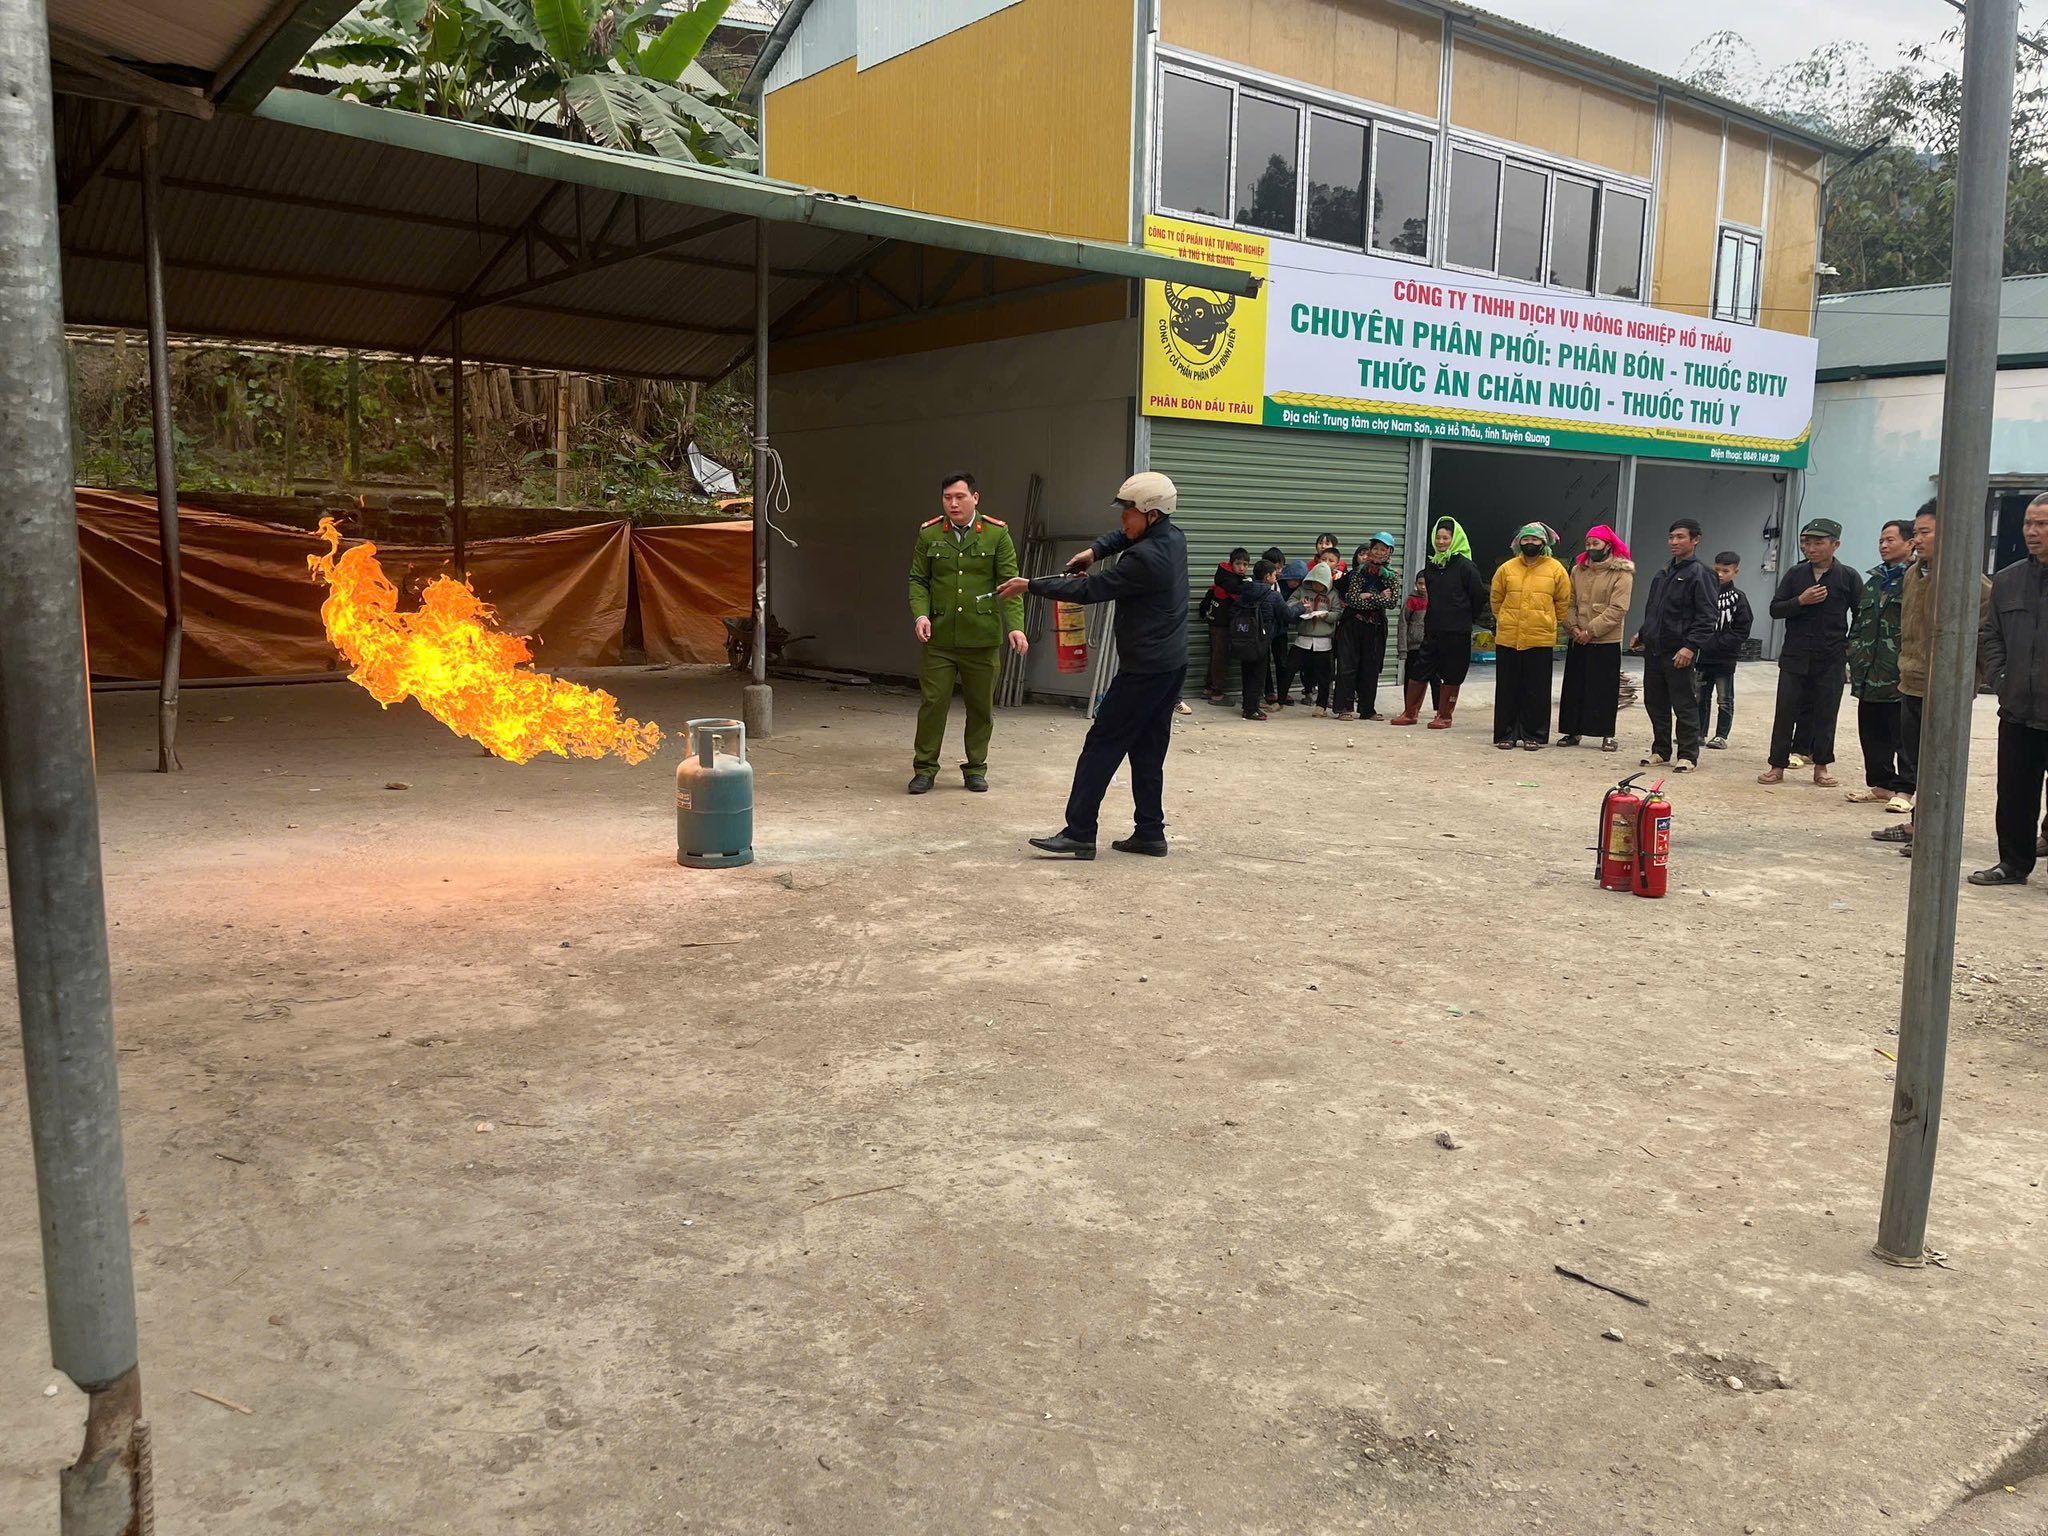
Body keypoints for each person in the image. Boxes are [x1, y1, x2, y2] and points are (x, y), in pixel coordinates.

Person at [998, 472, 1188, 860]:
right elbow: (1124, 538)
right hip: (1170, 665)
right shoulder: (1171, 536)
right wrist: (1095, 551)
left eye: (1128, 512)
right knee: (1148, 750)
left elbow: (1091, 590)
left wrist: (1031, 585)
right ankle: (1150, 832)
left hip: (1144, 670)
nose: (1123, 520)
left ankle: (1080, 832)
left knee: (1101, 745)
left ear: (1151, 513)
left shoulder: (1145, 558)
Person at [1876, 501, 1992, 853]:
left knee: (1940, 764)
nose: (1917, 539)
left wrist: (1971, 678)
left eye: (1926, 533)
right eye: (1917, 532)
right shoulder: (1914, 573)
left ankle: (1935, 835)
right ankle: (1918, 826)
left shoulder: (1971, 583)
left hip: (1945, 690)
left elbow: (1985, 638)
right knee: (1916, 762)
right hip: (1911, 681)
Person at [906, 471, 1026, 795]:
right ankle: (925, 768)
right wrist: (920, 615)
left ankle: (975, 768)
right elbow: (919, 580)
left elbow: (1010, 584)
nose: (953, 503)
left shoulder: (996, 534)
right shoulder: (930, 535)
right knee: (933, 704)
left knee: (980, 707)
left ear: (976, 497)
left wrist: (1016, 627)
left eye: (960, 497)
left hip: (982, 637)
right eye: (947, 498)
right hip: (940, 637)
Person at [1969, 492, 2048, 887]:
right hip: (2018, 709)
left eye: (2042, 525)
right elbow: (1992, 635)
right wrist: (2000, 679)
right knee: (2015, 794)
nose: (2032, 532)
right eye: (2028, 524)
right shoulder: (2009, 579)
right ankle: (2013, 863)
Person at [1759, 518, 1863, 787]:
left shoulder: (1847, 576)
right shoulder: (1795, 574)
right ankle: (1776, 765)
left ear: (1835, 545)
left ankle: (1821, 766)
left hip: (1831, 657)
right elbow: (1775, 609)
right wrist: (1800, 601)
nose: (1811, 548)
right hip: (1795, 655)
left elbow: (1861, 613)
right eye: (1807, 542)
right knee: (1786, 711)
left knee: (1826, 713)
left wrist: (1850, 644)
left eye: (1819, 543)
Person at [1630, 517, 1717, 771]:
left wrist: (1690, 646)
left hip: (1679, 651)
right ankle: (1661, 750)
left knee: (1684, 703)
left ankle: (1688, 754)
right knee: (1655, 702)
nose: (1674, 542)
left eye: (1680, 537)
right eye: (1671, 537)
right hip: (1655, 649)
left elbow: (1707, 615)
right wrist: (1643, 633)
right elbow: (1655, 610)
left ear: (1695, 540)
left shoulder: (1701, 573)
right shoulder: (1664, 572)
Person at [1845, 520, 1915, 809]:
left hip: (1900, 673)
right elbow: (1860, 622)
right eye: (1881, 541)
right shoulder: (1874, 581)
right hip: (1868, 671)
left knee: (1902, 735)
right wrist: (1853, 653)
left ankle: (1905, 790)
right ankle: (1881, 785)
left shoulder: (1916, 579)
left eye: (1890, 540)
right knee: (1872, 733)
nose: (1883, 546)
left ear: (1910, 543)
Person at [1393, 517, 1488, 728]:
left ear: (1455, 539)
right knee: (1420, 669)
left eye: (1446, 537)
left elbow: (1478, 596)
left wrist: (1465, 617)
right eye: (1438, 537)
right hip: (1434, 628)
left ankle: (1444, 715)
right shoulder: (1432, 566)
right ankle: (1410, 713)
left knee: (1452, 672)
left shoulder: (1466, 566)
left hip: (1457, 630)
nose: (1441, 541)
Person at [1489, 522, 1572, 750]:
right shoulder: (1507, 568)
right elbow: (1496, 600)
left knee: (1536, 689)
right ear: (1519, 542)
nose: (1530, 544)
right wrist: (1505, 618)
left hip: (1540, 637)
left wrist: (1549, 620)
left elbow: (1563, 601)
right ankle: (1506, 734)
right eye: (1525, 540)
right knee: (1507, 688)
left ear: (1543, 543)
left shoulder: (1555, 569)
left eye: (1535, 540)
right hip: (1509, 637)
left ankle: (1533, 735)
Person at [1555, 524, 1634, 752]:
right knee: (1574, 687)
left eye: (1596, 544)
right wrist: (1573, 628)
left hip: (1604, 640)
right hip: (1577, 636)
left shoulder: (1622, 573)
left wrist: (1590, 631)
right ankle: (1572, 731)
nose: (1591, 548)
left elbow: (1618, 608)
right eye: (1588, 544)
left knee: (1603, 689)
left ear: (1608, 546)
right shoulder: (1578, 570)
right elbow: (1568, 602)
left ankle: (1606, 733)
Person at [1333, 534, 1400, 720]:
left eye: (1383, 549)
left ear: (1389, 552)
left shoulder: (1391, 577)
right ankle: (1344, 708)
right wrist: (1379, 597)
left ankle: (1367, 709)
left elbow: (1392, 602)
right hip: (1353, 624)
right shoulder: (1358, 573)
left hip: (1376, 627)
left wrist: (1369, 595)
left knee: (1370, 668)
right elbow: (1352, 599)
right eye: (1375, 548)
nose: (1378, 552)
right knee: (1347, 666)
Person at [1694, 552, 1753, 750]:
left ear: (1735, 572)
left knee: (1724, 699)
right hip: (1702, 658)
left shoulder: (1738, 598)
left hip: (1725, 659)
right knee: (1700, 696)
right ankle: (1699, 733)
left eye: (1725, 571)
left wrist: (1721, 644)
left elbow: (1742, 629)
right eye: (1717, 569)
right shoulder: (1703, 593)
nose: (1720, 574)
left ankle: (1721, 735)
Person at [1231, 559, 1294, 720]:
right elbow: (1288, 615)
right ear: (1267, 577)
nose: (1276, 577)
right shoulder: (1273, 596)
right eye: (1274, 574)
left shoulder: (1245, 591)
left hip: (1245, 636)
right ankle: (1252, 709)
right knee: (1258, 674)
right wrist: (1301, 607)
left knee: (1247, 672)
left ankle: (1248, 705)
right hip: (1261, 637)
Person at [1286, 561, 1341, 715]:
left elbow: (1338, 612)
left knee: (1324, 675)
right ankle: (1280, 700)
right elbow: (1289, 603)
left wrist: (1326, 615)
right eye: (1314, 583)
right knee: (1290, 668)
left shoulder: (1332, 594)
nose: (1317, 587)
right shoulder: (1303, 590)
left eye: (1320, 584)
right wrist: (1300, 605)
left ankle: (1321, 706)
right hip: (1303, 638)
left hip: (1323, 641)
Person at [1199, 547, 1251, 704]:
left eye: (1245, 564)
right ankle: (1216, 693)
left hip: (1215, 623)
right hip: (1222, 626)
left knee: (1216, 656)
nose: (1242, 568)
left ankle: (1209, 688)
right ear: (1231, 564)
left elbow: (1208, 597)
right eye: (1238, 564)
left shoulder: (1224, 579)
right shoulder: (1231, 582)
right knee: (1221, 658)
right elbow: (1237, 595)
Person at [1401, 576, 1435, 715]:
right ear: (1416, 584)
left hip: (1432, 645)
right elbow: (1403, 624)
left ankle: (1439, 709)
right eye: (1420, 584)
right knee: (1411, 678)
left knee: (1435, 678)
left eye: (1425, 584)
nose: (1423, 587)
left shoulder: (1437, 599)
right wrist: (1403, 648)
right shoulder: (1411, 600)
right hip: (1414, 646)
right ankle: (1409, 708)